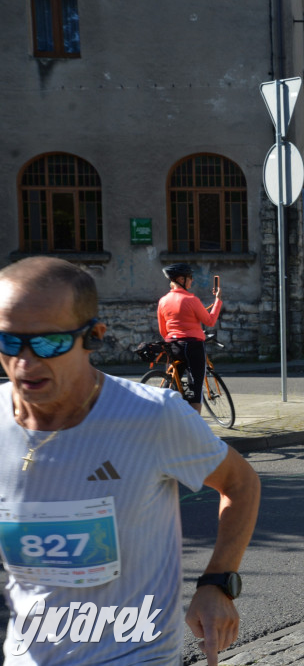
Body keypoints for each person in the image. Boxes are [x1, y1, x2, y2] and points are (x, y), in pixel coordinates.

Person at [0, 257, 260, 665]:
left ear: (94, 336)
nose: (25, 363)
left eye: (49, 342)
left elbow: (241, 483)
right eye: (9, 341)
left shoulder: (152, 415)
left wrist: (217, 582)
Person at [158, 263, 222, 413]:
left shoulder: (163, 301)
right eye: (190, 278)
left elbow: (163, 330)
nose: (192, 281)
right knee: (195, 390)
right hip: (193, 346)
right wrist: (218, 300)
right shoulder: (191, 299)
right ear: (181, 279)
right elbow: (210, 321)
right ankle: (195, 430)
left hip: (173, 345)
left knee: (174, 384)